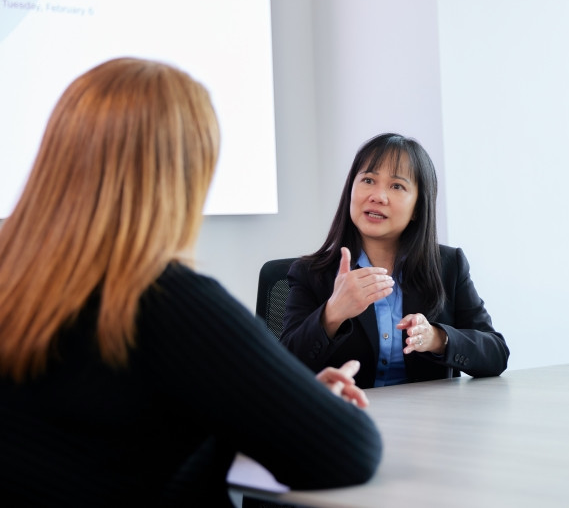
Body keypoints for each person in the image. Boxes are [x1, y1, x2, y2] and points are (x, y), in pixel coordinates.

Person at [0, 58, 382, 506]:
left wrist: (274, 406)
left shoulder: (15, 284)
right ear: (180, 179)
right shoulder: (166, 301)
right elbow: (348, 452)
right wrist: (289, 412)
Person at [280, 133, 509, 387]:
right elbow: (282, 365)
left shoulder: (448, 265)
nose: (378, 196)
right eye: (368, 180)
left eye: (397, 186)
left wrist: (437, 338)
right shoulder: (312, 273)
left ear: (417, 208)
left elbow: (496, 354)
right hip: (348, 417)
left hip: (427, 422)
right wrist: (333, 313)